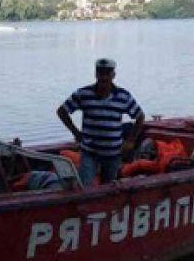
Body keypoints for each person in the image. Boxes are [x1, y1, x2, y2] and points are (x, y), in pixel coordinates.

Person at [57, 58, 145, 186]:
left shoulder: (123, 96)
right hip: (89, 152)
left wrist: (131, 141)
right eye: (100, 73)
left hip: (113, 154)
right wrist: (75, 132)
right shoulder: (83, 94)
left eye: (107, 73)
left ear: (113, 75)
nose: (103, 77)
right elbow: (62, 111)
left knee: (109, 188)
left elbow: (140, 116)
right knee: (84, 186)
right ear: (96, 74)